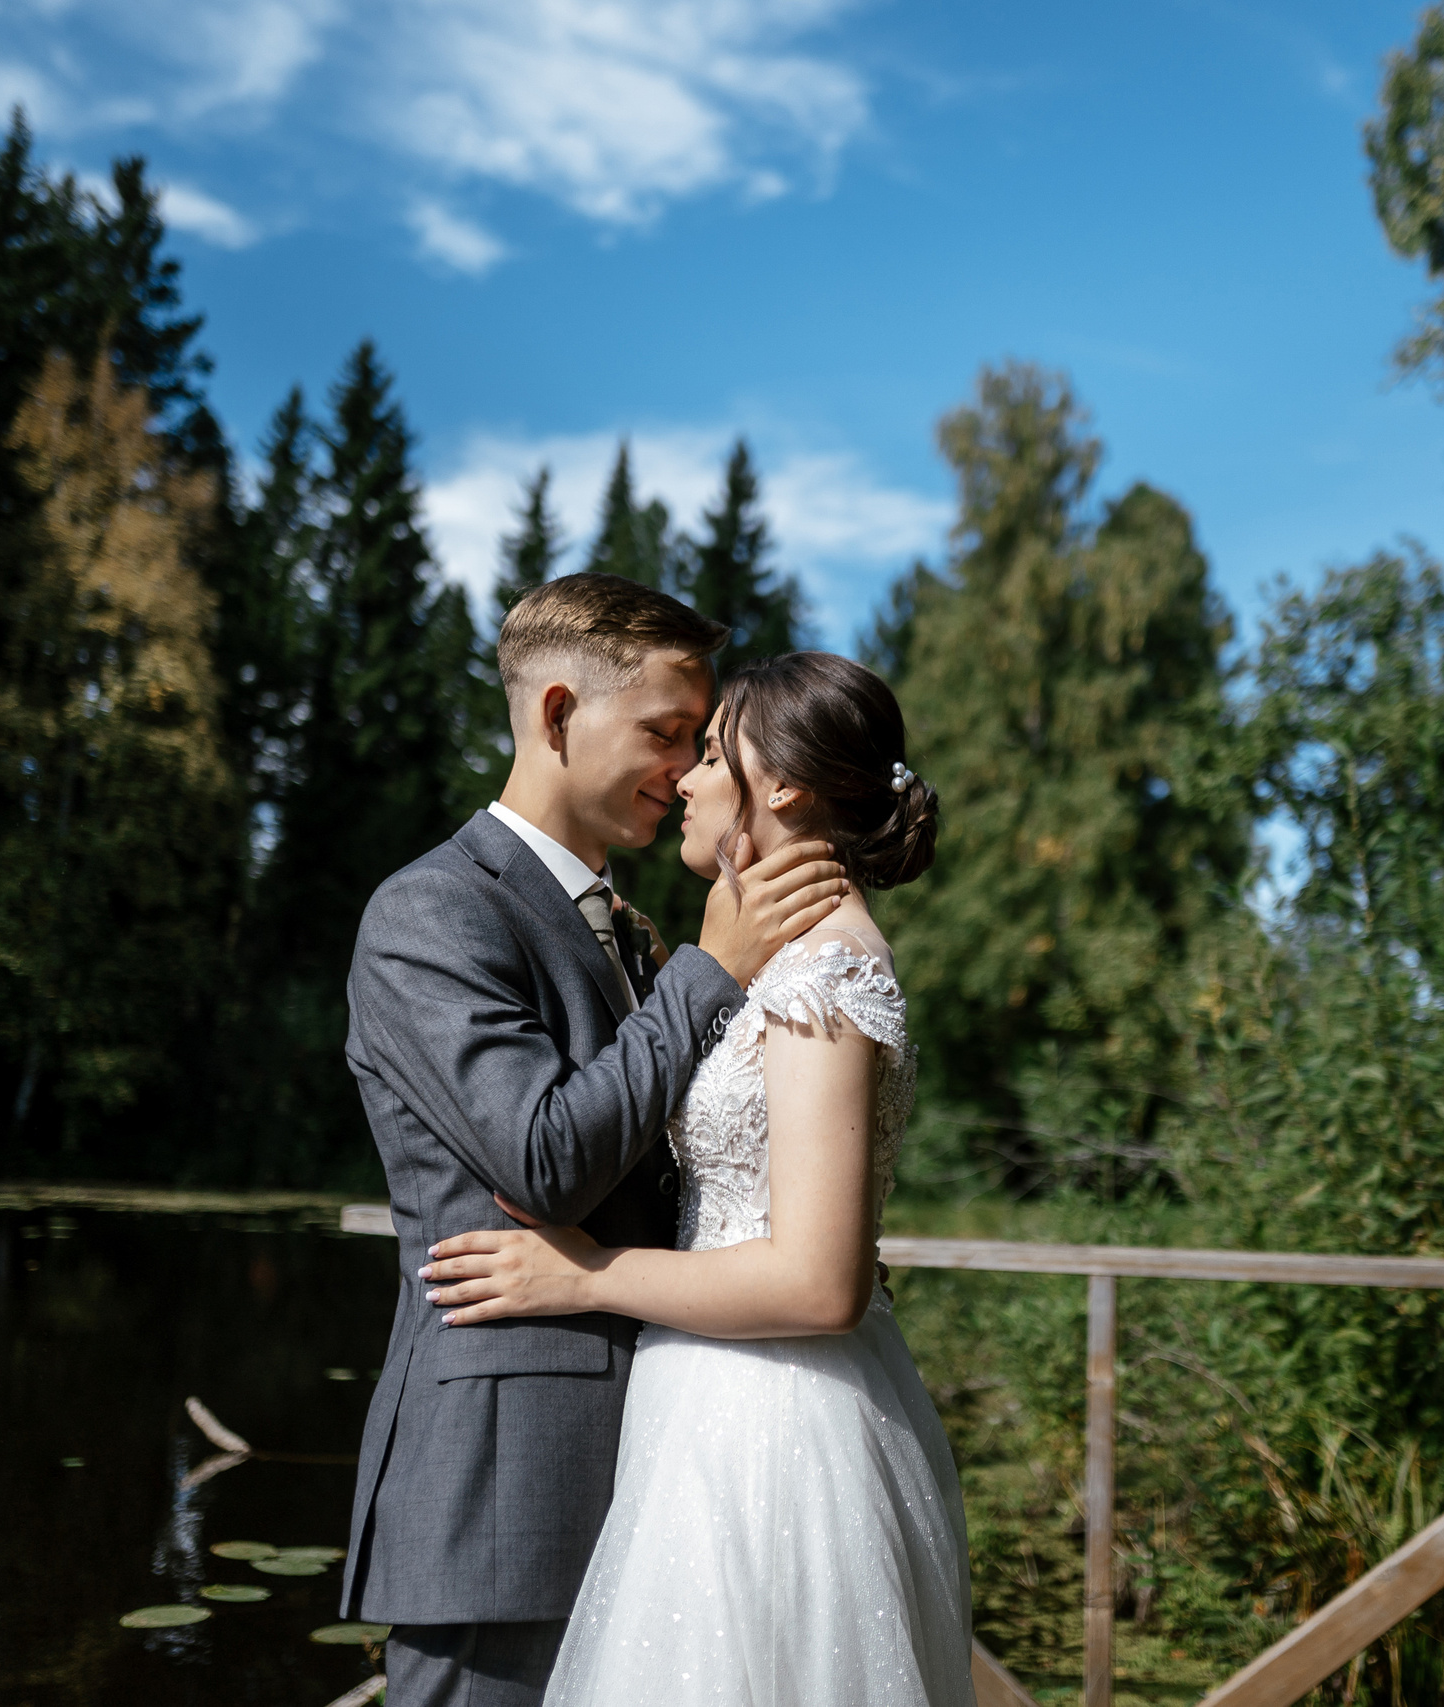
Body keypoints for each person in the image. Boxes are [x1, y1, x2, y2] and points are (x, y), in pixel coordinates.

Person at [418, 651, 974, 1707]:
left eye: (712, 753)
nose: (684, 779)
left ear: (784, 789)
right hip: (713, 1402)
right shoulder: (785, 963)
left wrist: (584, 1277)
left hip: (770, 1424)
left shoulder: (826, 976)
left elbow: (820, 1285)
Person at [337, 575, 852, 1707]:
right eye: (666, 734)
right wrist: (713, 972)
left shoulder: (632, 929)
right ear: (558, 714)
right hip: (509, 1488)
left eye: (698, 741)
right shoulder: (430, 912)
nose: (684, 771)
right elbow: (544, 1160)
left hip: (675, 1476)